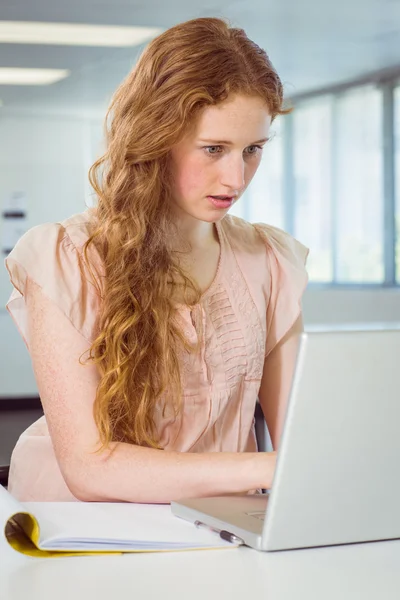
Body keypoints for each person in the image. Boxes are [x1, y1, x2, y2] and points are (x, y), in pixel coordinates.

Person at [4, 17, 308, 502]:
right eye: (213, 149)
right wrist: (266, 468)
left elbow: (301, 440)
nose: (236, 177)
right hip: (82, 531)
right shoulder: (68, 259)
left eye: (253, 150)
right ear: (156, 139)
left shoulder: (269, 261)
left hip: (216, 522)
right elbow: (89, 467)